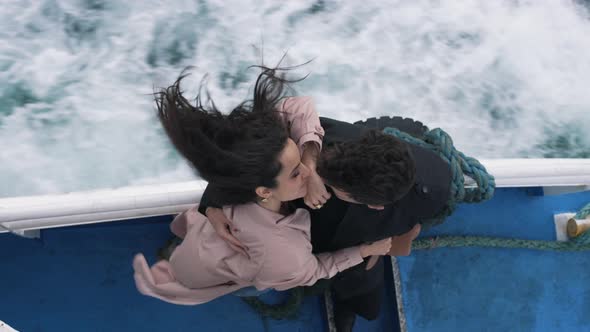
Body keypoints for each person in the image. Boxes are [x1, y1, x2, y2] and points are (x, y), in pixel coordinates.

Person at [132, 67, 393, 306]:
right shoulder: (282, 255)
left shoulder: (242, 179)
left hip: (200, 240)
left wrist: (310, 163)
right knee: (255, 287)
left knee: (194, 245)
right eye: (295, 173)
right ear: (264, 191)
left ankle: (174, 250)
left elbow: (299, 106)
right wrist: (366, 250)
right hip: (217, 273)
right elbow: (314, 271)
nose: (308, 174)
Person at [204, 115, 452, 331]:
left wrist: (373, 251)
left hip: (356, 250)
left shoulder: (433, 187)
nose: (306, 176)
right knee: (248, 283)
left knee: (369, 308)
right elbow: (242, 151)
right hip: (297, 239)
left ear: (374, 206)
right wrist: (212, 205)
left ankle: (350, 291)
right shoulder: (328, 137)